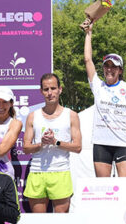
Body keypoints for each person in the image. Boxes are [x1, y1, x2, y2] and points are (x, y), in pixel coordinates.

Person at [83, 23, 126, 177]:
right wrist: (88, 33)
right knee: (103, 186)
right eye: (106, 66)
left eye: (114, 66)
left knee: (124, 186)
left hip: (124, 143)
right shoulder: (98, 86)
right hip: (101, 143)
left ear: (120, 70)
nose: (109, 69)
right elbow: (88, 60)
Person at [23, 74, 82, 213]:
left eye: (53, 88)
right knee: (38, 221)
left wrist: (56, 142)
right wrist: (41, 144)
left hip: (60, 171)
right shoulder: (33, 116)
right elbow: (26, 148)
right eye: (46, 89)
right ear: (41, 91)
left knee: (61, 221)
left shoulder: (71, 115)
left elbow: (78, 147)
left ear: (60, 89)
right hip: (37, 172)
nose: (50, 93)